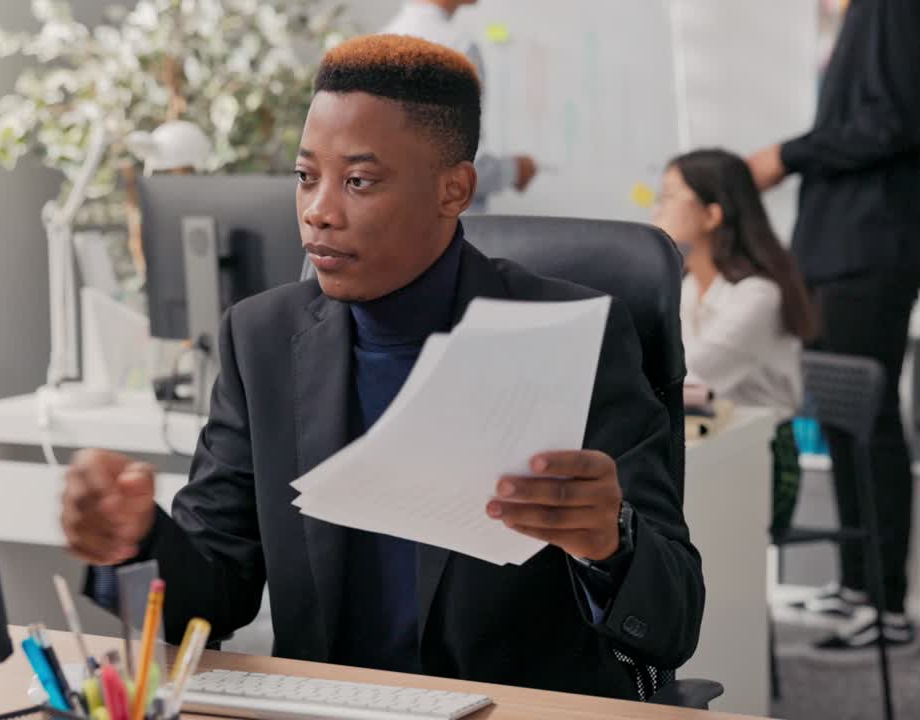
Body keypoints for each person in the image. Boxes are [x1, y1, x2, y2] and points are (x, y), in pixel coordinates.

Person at [61, 35, 703, 701]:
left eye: (358, 181)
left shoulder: (571, 334)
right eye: (306, 177)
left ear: (453, 190)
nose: (319, 211)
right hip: (324, 713)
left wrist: (611, 543)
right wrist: (135, 538)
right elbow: (214, 595)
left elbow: (675, 622)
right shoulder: (261, 339)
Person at [748, 0, 920, 652]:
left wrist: (786, 154)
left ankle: (886, 604)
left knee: (869, 422)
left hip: (870, 252)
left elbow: (889, 124)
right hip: (844, 251)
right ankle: (858, 584)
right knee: (844, 420)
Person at [654, 148, 818, 535]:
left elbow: (688, 372)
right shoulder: (688, 288)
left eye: (670, 196)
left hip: (761, 454)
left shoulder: (759, 296)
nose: (657, 209)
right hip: (705, 441)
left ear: (713, 215)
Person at [382, 0, 538, 210]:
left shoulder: (379, 41)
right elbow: (463, 165)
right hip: (452, 221)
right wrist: (515, 170)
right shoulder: (459, 47)